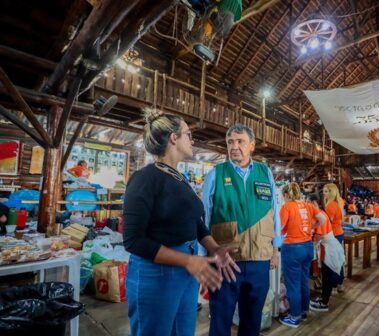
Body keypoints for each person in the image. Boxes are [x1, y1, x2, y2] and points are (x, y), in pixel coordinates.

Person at [123, 109, 239, 336]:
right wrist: (188, 260)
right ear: (174, 138)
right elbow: (133, 240)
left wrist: (215, 248)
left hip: (187, 269)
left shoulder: (180, 178)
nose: (192, 140)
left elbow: (196, 222)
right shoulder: (145, 179)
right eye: (189, 134)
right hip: (156, 273)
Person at [202, 123, 282, 336]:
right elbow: (204, 217)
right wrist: (205, 257)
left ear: (252, 145)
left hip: (259, 260)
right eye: (230, 142)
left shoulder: (266, 173)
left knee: (252, 321)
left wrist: (276, 250)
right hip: (226, 263)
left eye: (240, 141)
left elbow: (275, 211)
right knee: (220, 320)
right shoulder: (216, 174)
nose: (234, 146)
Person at [278, 183, 325, 327]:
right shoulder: (307, 205)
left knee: (292, 284)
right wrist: (311, 227)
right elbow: (322, 219)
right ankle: (304, 311)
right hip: (307, 246)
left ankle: (294, 317)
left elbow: (278, 226)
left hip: (292, 248)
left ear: (286, 195)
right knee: (304, 280)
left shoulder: (287, 207)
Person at [307, 194, 345, 313]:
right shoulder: (321, 213)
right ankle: (323, 298)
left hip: (328, 250)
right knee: (325, 275)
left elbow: (319, 236)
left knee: (327, 276)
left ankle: (324, 302)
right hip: (327, 248)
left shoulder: (320, 215)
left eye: (308, 203)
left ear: (314, 203)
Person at [323, 183, 345, 292]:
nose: (324, 193)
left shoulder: (331, 205)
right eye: (324, 191)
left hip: (334, 234)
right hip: (338, 233)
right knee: (338, 259)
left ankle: (334, 283)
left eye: (326, 191)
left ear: (332, 192)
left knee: (333, 260)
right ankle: (339, 283)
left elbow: (328, 221)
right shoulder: (338, 203)